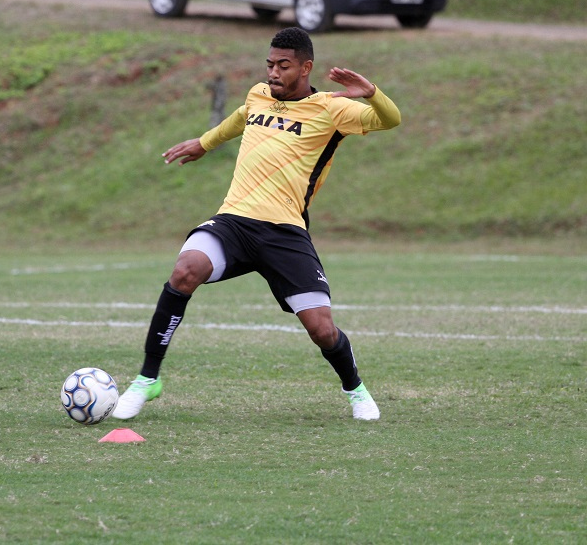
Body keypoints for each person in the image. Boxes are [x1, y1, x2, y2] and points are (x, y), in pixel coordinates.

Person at [113, 27, 401, 422]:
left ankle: (356, 390)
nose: (273, 73)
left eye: (283, 66)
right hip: (234, 221)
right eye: (269, 64)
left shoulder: (332, 108)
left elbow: (391, 120)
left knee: (321, 329)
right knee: (185, 271)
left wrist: (372, 94)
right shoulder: (258, 95)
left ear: (305, 68)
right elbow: (239, 118)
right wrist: (205, 142)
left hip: (285, 232)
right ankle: (147, 379)